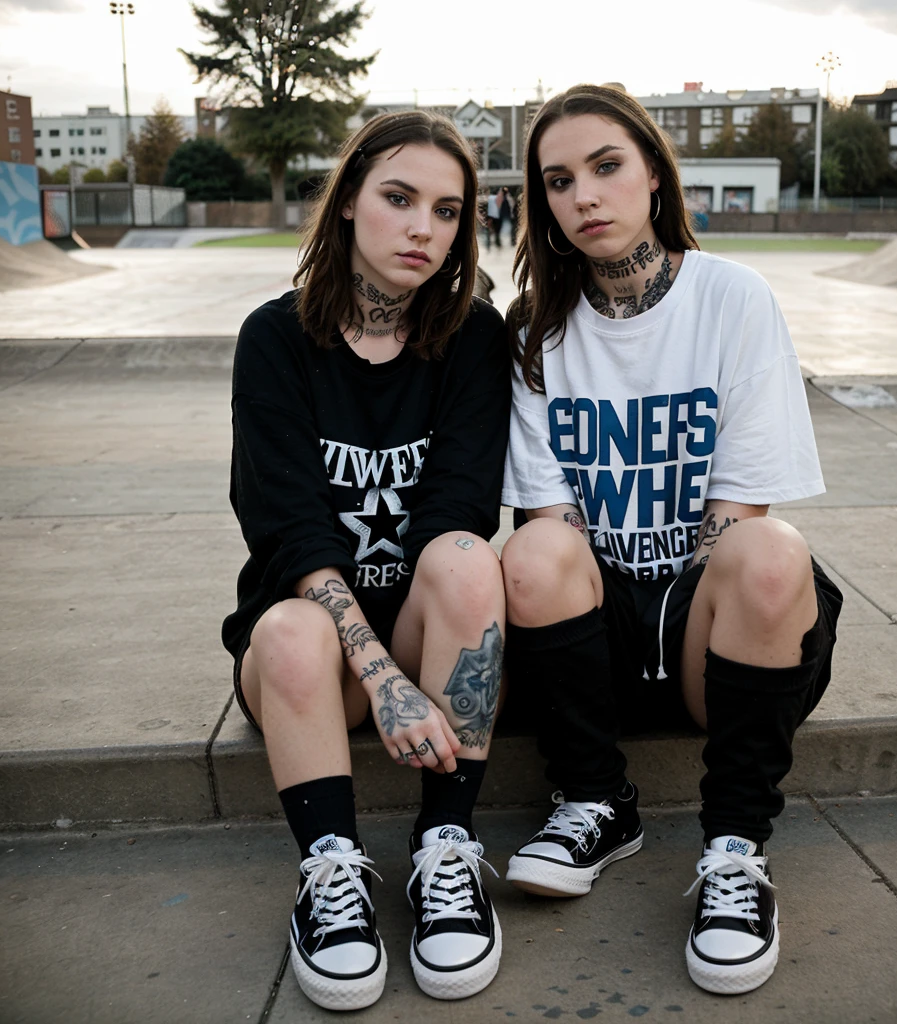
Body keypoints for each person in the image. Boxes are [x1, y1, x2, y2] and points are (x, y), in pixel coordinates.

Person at [499, 84, 842, 996]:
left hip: (710, 637)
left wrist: (661, 642)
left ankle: (734, 852)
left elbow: (740, 520)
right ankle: (597, 802)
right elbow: (549, 525)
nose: (585, 196)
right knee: (527, 554)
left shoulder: (732, 297)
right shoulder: (535, 327)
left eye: (607, 167)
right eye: (560, 180)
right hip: (594, 643)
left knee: (775, 552)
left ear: (653, 172)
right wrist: (624, 634)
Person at [221, 110, 511, 1011]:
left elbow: (460, 506)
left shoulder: (473, 337)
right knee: (298, 627)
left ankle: (445, 855)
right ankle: (332, 876)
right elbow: (290, 530)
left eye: (449, 209)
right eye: (398, 197)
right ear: (347, 201)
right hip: (306, 662)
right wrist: (379, 670)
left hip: (424, 641)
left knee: (467, 557)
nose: (425, 227)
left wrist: (406, 663)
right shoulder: (274, 340)